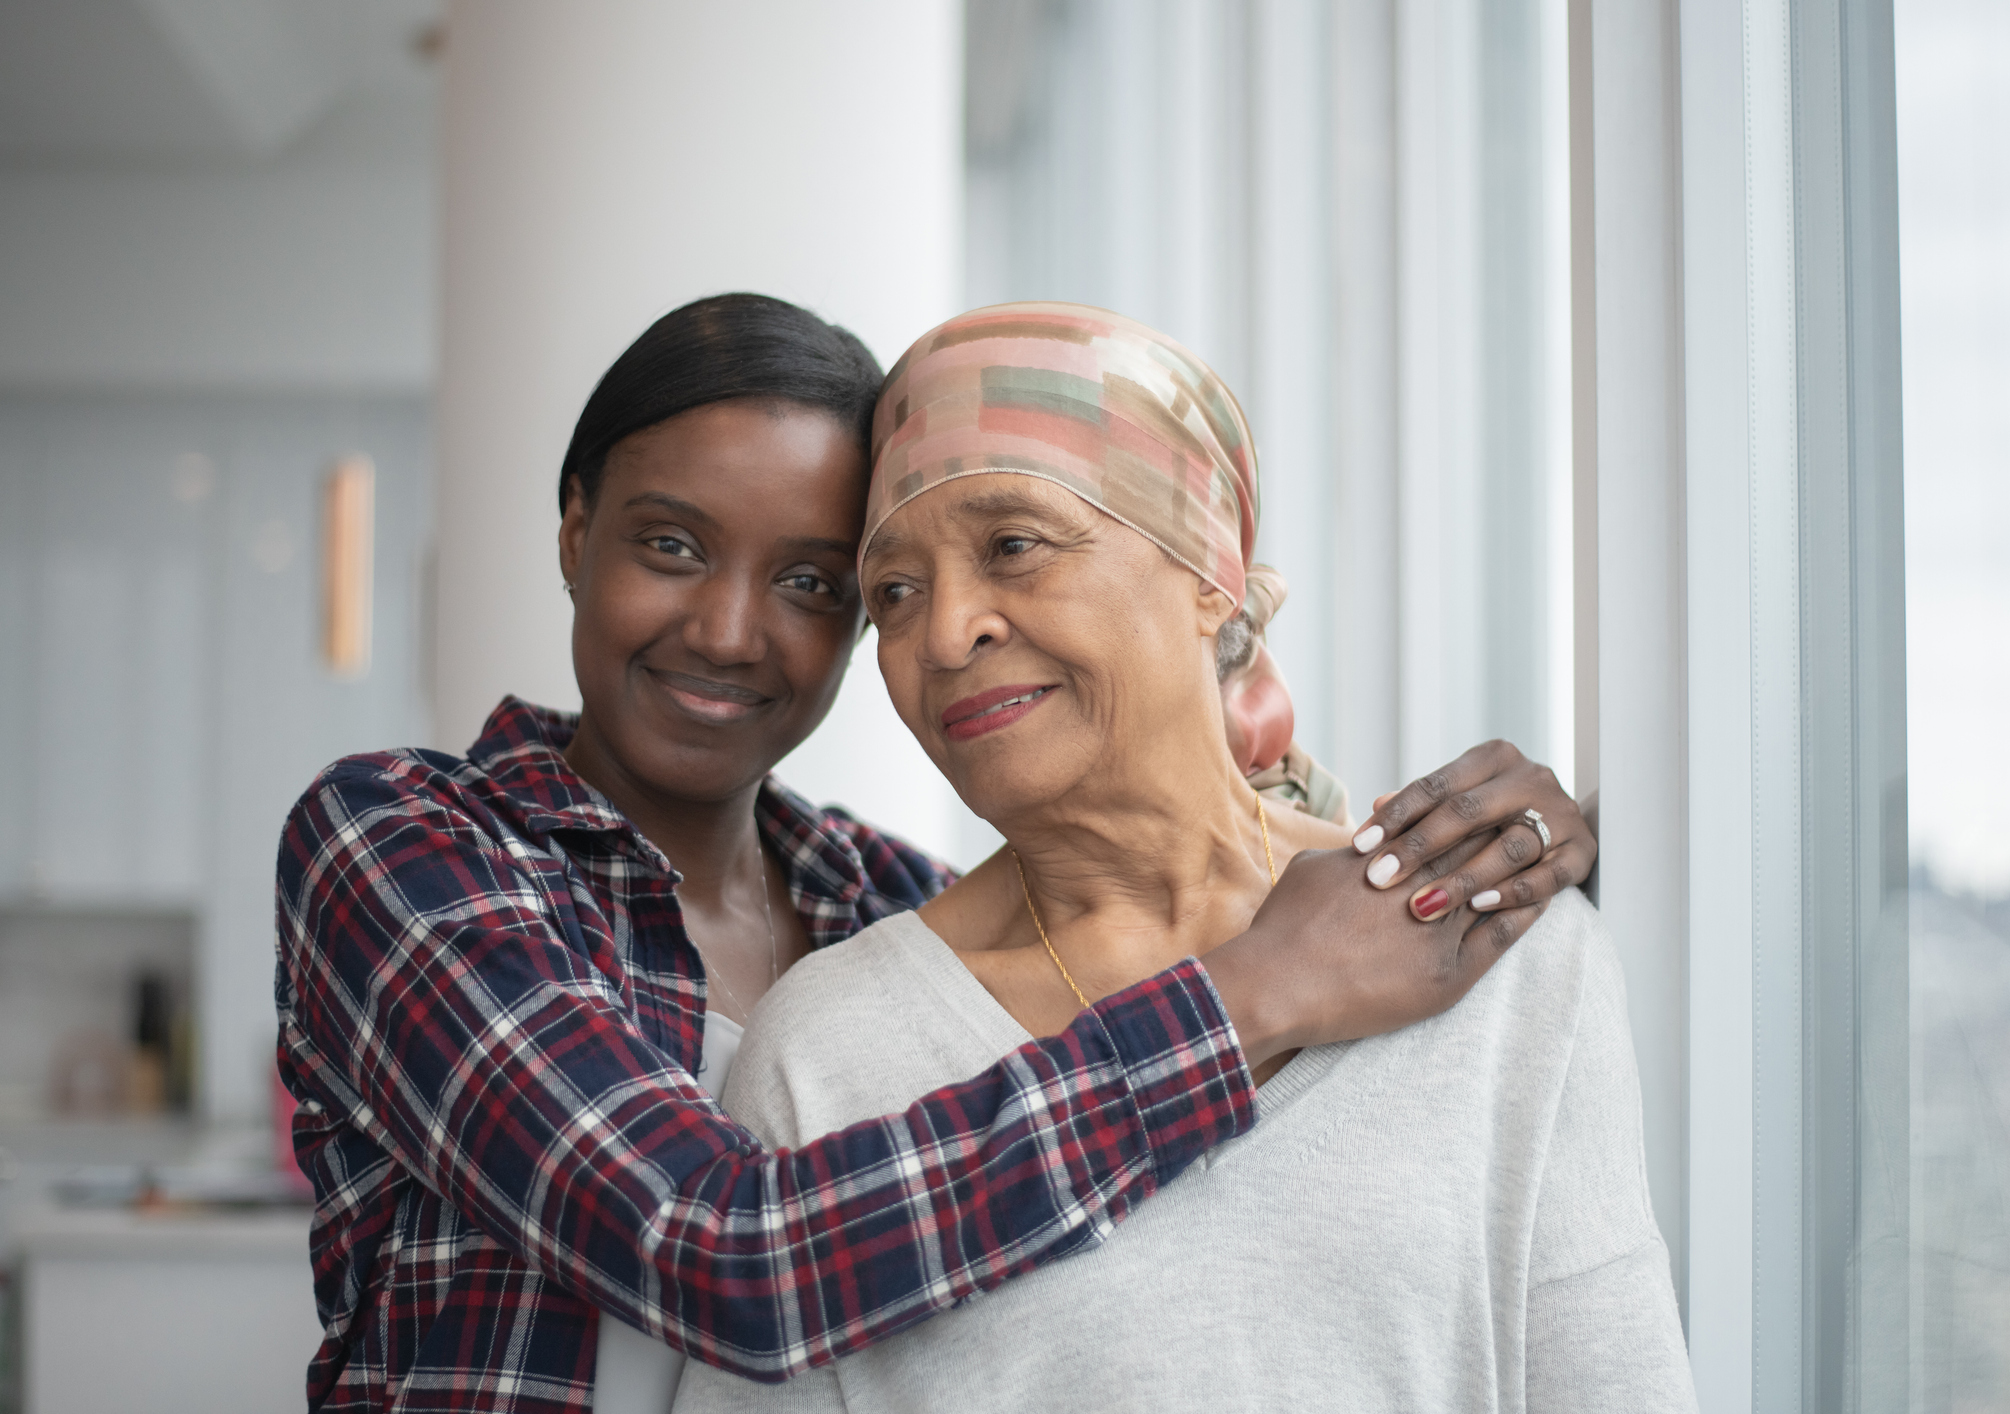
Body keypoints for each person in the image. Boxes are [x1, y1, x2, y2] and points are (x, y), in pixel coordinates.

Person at [273, 294, 1597, 1414]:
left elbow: (1172, 857)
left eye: (815, 583)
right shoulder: (405, 845)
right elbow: (726, 1251)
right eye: (670, 545)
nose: (730, 630)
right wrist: (1266, 985)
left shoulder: (874, 898)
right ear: (574, 532)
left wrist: (1460, 845)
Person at [672, 302, 1685, 1413]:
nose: (946, 632)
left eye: (1014, 545)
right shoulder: (829, 1050)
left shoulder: (1496, 949)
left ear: (1211, 568)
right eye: (895, 593)